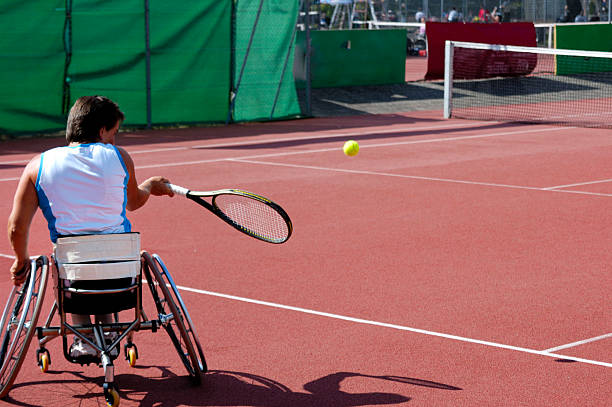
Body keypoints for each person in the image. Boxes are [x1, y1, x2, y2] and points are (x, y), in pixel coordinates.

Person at [7, 95, 175, 357]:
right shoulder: (119, 157)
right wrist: (150, 187)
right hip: (121, 279)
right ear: (101, 131)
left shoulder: (37, 165)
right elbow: (133, 202)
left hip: (73, 280)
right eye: (114, 133)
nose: (115, 140)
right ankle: (109, 332)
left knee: (73, 262)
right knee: (104, 256)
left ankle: (83, 337)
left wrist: (20, 260)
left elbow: (17, 227)